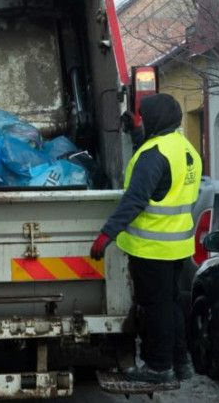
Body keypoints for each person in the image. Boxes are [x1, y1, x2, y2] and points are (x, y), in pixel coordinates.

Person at [90, 93, 202, 384]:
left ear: (156, 118)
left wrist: (106, 234)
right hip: (177, 245)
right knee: (170, 303)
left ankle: (158, 367)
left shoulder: (154, 154)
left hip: (152, 247)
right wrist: (138, 134)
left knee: (156, 308)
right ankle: (180, 361)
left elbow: (136, 198)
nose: (142, 119)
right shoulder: (185, 147)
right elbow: (161, 179)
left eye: (144, 116)